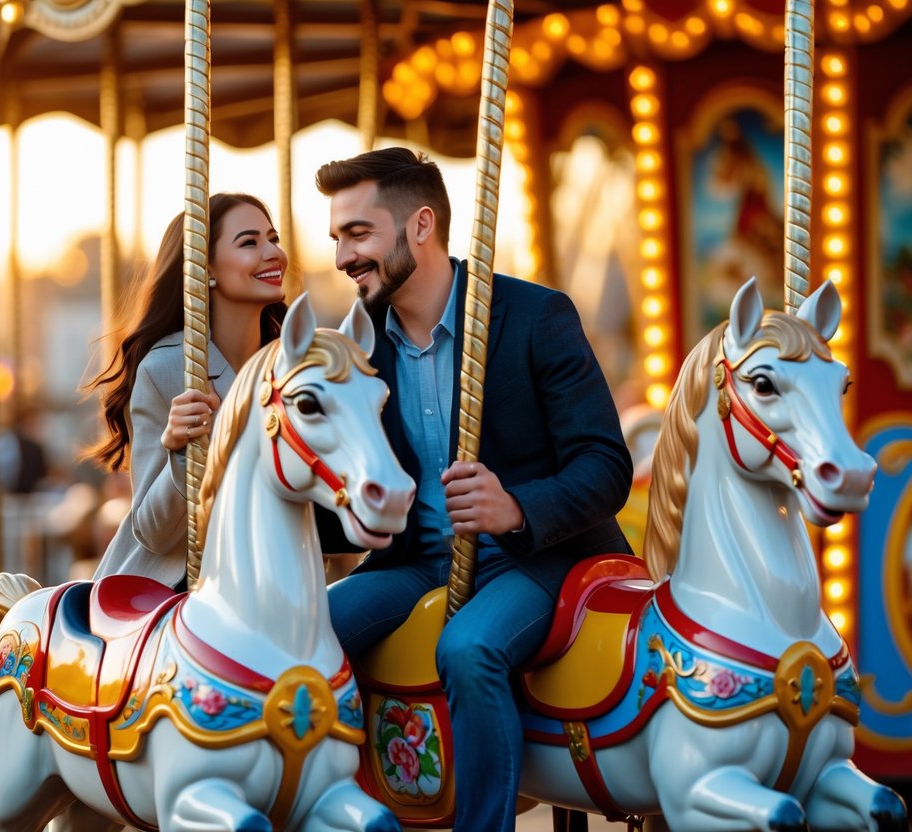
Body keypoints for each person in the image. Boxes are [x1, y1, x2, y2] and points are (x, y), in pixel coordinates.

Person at [316, 147, 633, 831]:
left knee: (468, 647)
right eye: (336, 237)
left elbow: (605, 465)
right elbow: (342, 499)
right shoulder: (355, 347)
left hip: (539, 556)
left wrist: (515, 507)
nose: (342, 255)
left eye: (357, 233)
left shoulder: (532, 317)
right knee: (304, 632)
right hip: (416, 558)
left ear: (420, 225)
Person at [90, 193, 287, 588]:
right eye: (250, 242)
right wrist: (181, 456)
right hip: (181, 584)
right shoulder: (167, 369)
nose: (274, 253)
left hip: (272, 578)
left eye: (273, 238)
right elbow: (153, 532)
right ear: (206, 267)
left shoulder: (290, 368)